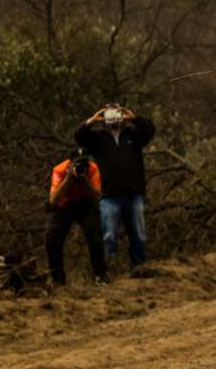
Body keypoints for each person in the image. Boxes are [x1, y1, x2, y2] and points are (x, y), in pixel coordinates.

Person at [74, 104, 156, 271]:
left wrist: (134, 118)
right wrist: (93, 120)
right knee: (109, 235)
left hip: (134, 193)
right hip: (110, 196)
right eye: (109, 113)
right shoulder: (97, 139)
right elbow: (78, 136)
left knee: (138, 234)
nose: (113, 117)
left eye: (116, 112)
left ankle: (139, 268)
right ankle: (111, 270)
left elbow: (150, 130)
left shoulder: (134, 135)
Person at [45, 148, 109, 285]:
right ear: (70, 163)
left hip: (85, 203)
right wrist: (67, 179)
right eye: (78, 164)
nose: (82, 167)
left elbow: (98, 197)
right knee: (52, 238)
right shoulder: (59, 170)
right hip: (63, 204)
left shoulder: (92, 169)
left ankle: (100, 274)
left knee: (95, 235)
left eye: (85, 163)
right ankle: (57, 278)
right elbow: (53, 200)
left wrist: (85, 180)